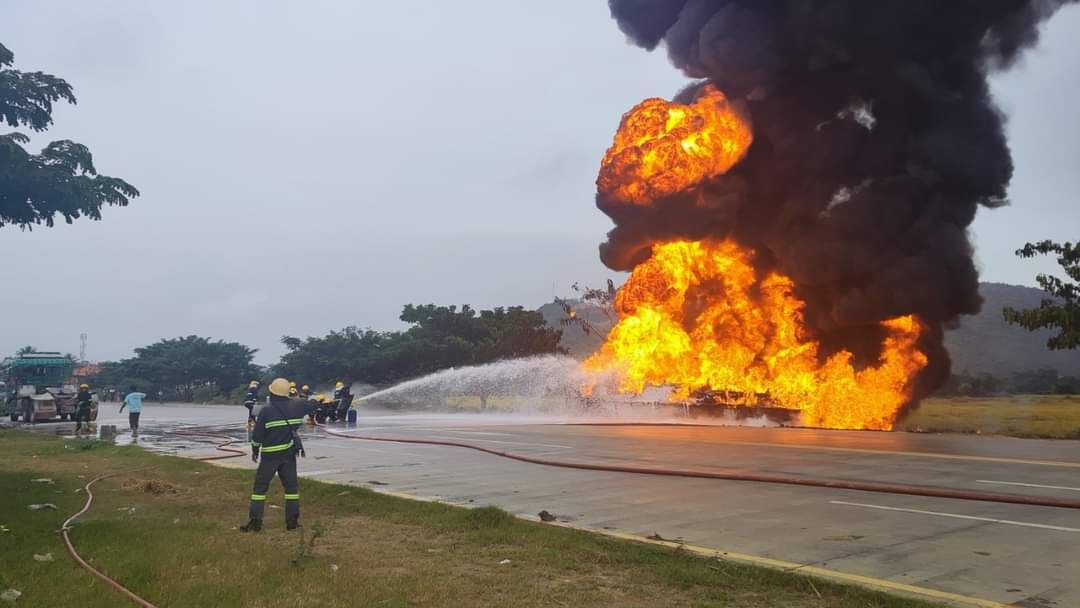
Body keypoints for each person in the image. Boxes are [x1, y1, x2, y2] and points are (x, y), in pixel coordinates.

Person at [241, 378, 316, 532]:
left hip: (270, 456)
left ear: (272, 392)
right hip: (289, 454)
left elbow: (257, 436)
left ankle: (255, 523)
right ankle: (292, 523)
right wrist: (317, 399)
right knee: (291, 489)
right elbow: (313, 405)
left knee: (260, 489)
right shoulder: (298, 406)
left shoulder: (266, 410)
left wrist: (255, 450)